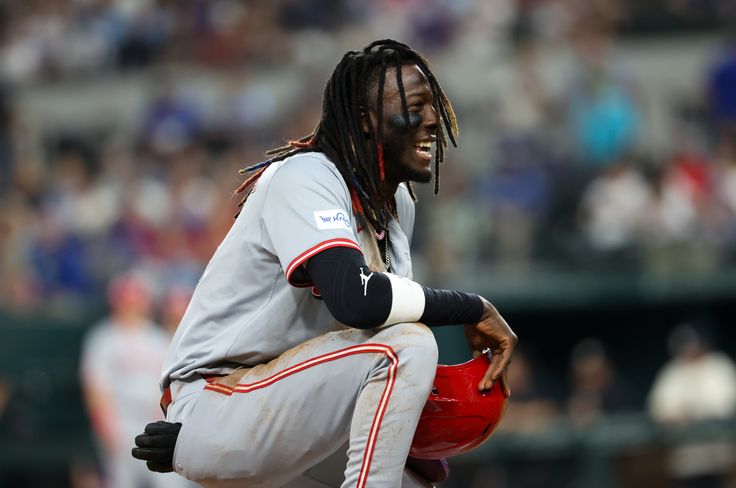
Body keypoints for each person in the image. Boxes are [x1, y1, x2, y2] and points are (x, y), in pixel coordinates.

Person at [132, 39, 517, 488]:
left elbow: (367, 330)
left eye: (434, 104)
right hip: (220, 399)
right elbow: (359, 301)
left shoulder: (396, 205)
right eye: (416, 106)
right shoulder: (307, 175)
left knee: (415, 479)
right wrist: (472, 307)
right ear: (365, 121)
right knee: (407, 345)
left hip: (294, 405)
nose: (433, 120)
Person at [81, 272, 192, 488]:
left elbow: (170, 386)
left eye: (136, 299)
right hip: (120, 421)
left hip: (154, 420)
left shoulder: (157, 337)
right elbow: (95, 388)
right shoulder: (103, 337)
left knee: (171, 483)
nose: (131, 305)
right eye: (127, 299)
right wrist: (106, 427)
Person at [648, 324, 736, 488]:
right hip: (684, 459)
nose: (689, 350)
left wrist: (693, 411)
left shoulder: (719, 365)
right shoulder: (673, 370)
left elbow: (729, 404)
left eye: (692, 344)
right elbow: (657, 408)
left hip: (718, 456)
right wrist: (675, 415)